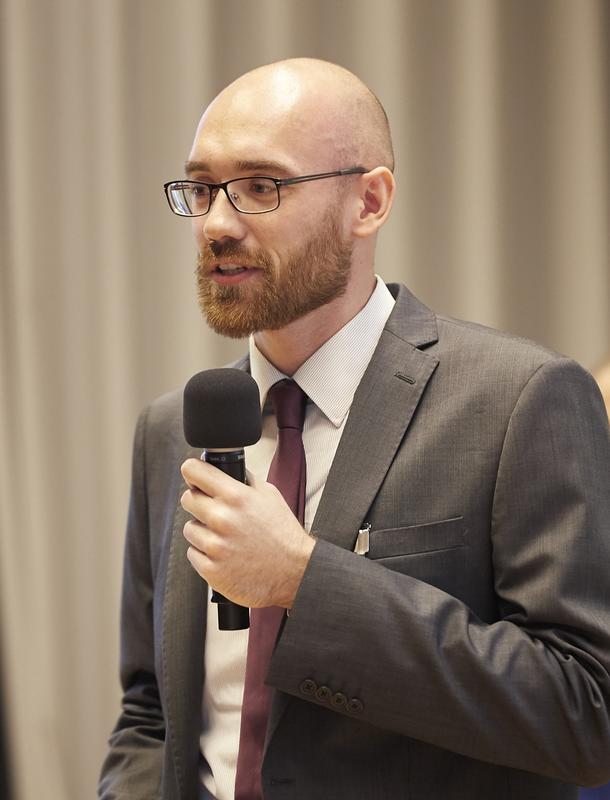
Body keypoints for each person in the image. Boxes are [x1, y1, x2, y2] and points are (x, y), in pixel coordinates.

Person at [98, 58, 610, 800]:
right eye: (203, 188)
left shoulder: (519, 400)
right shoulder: (171, 427)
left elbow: (586, 714)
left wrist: (306, 583)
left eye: (260, 186)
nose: (216, 223)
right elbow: (151, 711)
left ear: (368, 201)